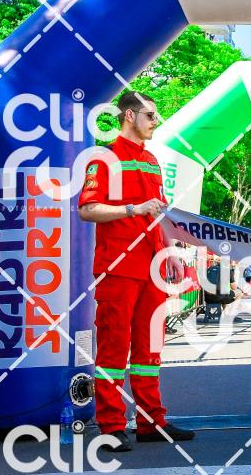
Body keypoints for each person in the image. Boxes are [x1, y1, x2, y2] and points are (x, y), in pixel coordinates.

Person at [78, 91, 195, 451]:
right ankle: (112, 426)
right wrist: (133, 208)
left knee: (149, 349)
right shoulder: (104, 158)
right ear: (129, 116)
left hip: (152, 268)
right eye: (150, 115)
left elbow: (159, 214)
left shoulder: (151, 160)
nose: (155, 121)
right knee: (114, 349)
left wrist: (170, 251)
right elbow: (87, 209)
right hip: (118, 267)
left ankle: (151, 422)